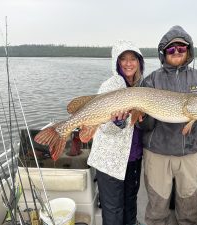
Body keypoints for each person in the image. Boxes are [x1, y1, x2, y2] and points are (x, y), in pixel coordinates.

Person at [139, 25, 197, 225]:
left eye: (181, 48)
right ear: (164, 53)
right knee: (157, 209)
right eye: (171, 49)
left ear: (189, 50)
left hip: (190, 152)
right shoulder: (152, 80)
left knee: (189, 209)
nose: (177, 52)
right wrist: (142, 116)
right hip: (158, 153)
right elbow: (144, 126)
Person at [87, 40, 144, 225]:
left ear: (139, 62)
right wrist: (117, 122)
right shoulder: (110, 86)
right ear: (116, 62)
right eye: (123, 59)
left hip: (133, 158)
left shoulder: (141, 87)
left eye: (133, 58)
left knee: (130, 206)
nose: (128, 63)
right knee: (113, 211)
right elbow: (103, 127)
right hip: (109, 161)